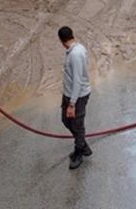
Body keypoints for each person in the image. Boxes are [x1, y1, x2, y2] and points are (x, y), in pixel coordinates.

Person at [59, 26, 92, 170]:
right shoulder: (74, 51)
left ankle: (79, 152)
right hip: (69, 94)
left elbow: (78, 80)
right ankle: (83, 145)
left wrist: (72, 104)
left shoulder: (75, 55)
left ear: (61, 40)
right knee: (66, 120)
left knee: (77, 125)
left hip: (77, 96)